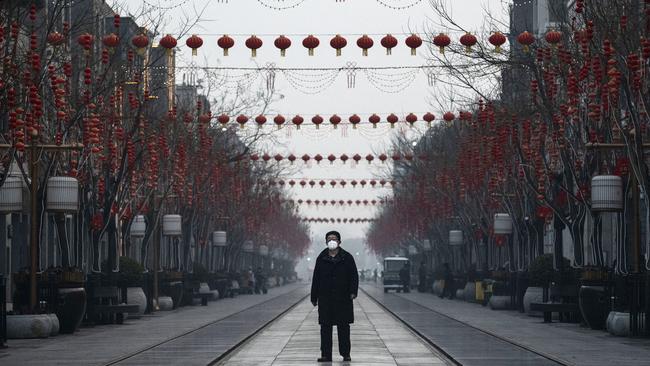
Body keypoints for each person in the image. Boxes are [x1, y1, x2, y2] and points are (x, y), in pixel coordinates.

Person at [311, 230, 359, 363]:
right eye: (329, 239)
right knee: (325, 328)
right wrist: (314, 297)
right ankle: (326, 354)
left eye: (334, 238)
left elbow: (354, 276)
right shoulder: (321, 258)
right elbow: (316, 278)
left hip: (343, 298)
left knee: (343, 328)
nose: (332, 241)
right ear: (326, 242)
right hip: (325, 299)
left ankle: (345, 354)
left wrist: (353, 291)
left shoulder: (347, 257)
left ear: (339, 241)